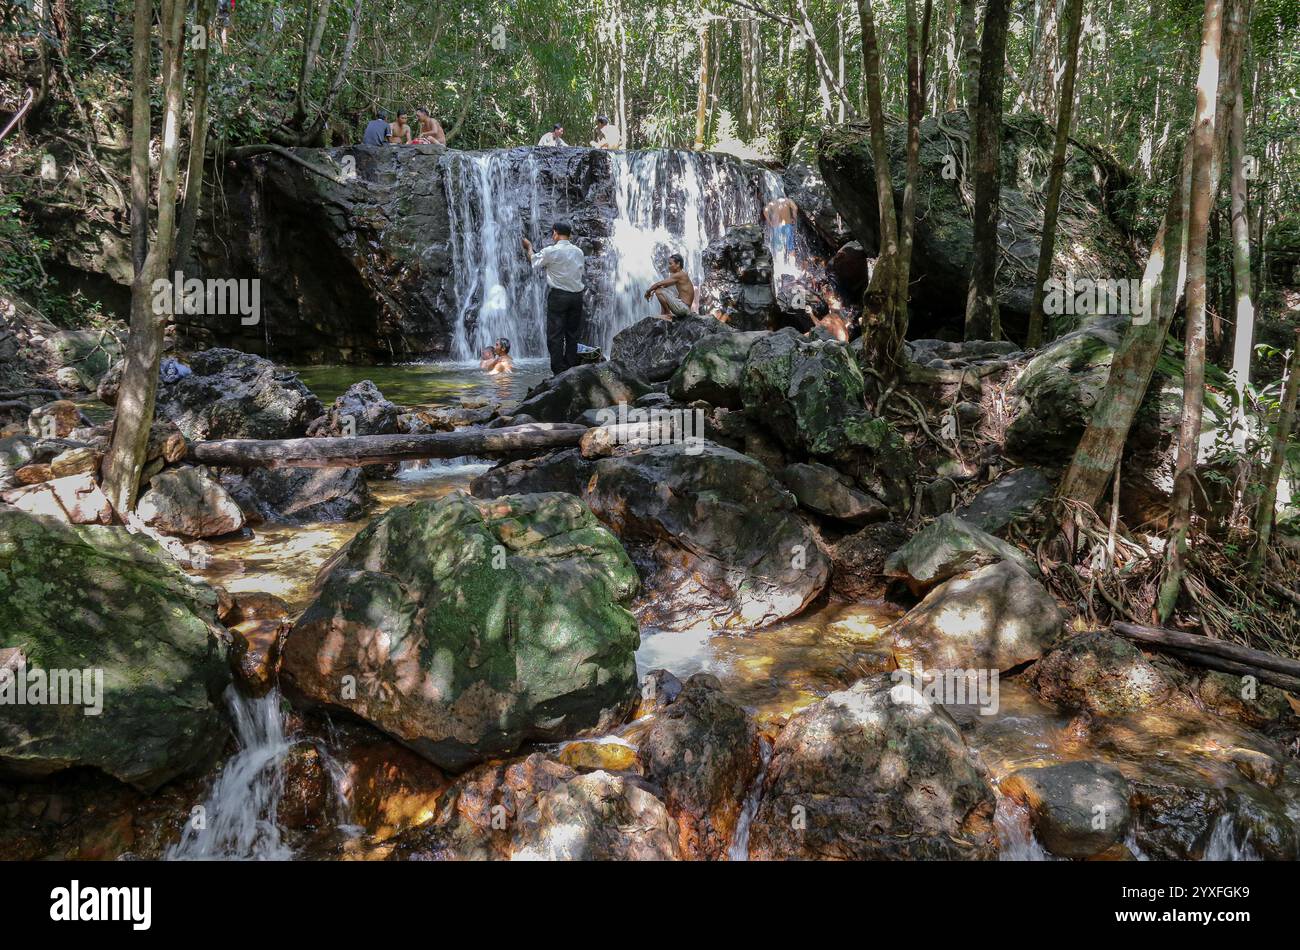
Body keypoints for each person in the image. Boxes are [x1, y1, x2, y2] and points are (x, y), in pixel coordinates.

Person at [523, 222, 585, 375]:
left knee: (555, 335)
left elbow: (533, 260)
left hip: (559, 296)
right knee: (572, 334)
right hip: (577, 297)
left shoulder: (551, 251)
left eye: (553, 233)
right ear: (569, 235)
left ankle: (558, 371)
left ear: (556, 233)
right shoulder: (578, 252)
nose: (552, 236)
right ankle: (570, 367)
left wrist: (529, 247)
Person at [643, 254, 695, 319]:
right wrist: (653, 291)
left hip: (683, 308)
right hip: (685, 308)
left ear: (678, 264)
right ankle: (663, 313)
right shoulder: (681, 275)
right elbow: (664, 286)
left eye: (670, 264)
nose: (668, 266)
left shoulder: (679, 275)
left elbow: (658, 284)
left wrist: (648, 292)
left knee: (658, 291)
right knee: (662, 290)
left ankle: (668, 314)